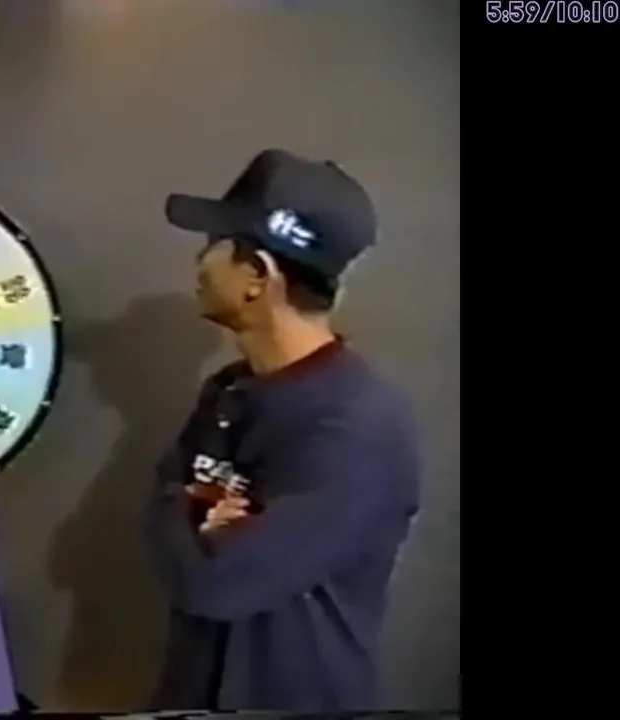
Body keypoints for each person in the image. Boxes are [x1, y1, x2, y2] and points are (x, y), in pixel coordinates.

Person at [147, 149, 420, 711]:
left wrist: (196, 517)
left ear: (256, 276)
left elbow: (215, 584)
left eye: (216, 243)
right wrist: (193, 510)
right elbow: (158, 503)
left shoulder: (357, 427)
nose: (201, 259)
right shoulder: (226, 391)